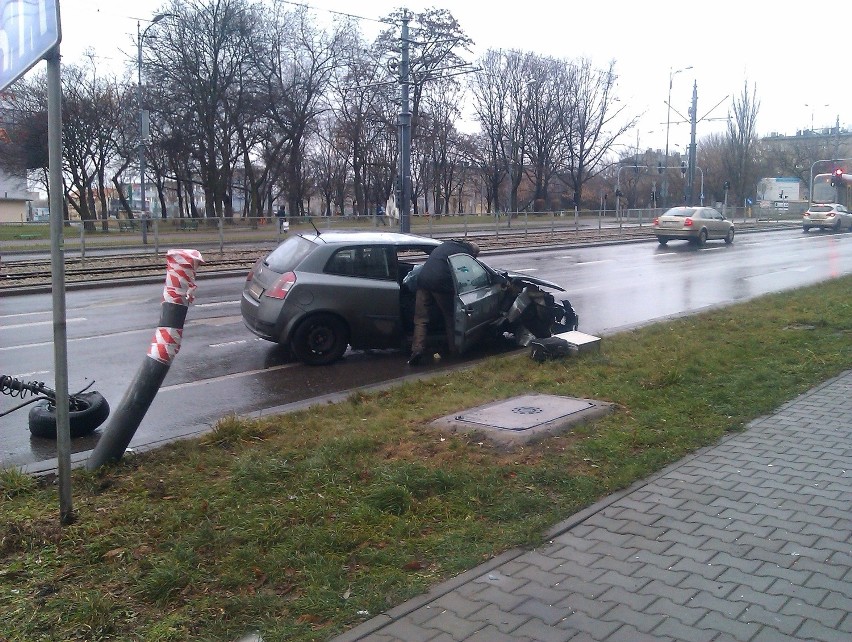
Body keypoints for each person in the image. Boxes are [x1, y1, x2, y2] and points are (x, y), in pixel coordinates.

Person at [408, 239, 480, 366]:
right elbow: (467, 274)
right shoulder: (465, 254)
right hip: (440, 284)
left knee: (420, 318)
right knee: (451, 316)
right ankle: (454, 349)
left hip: (423, 280)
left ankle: (417, 350)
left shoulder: (448, 245)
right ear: (473, 253)